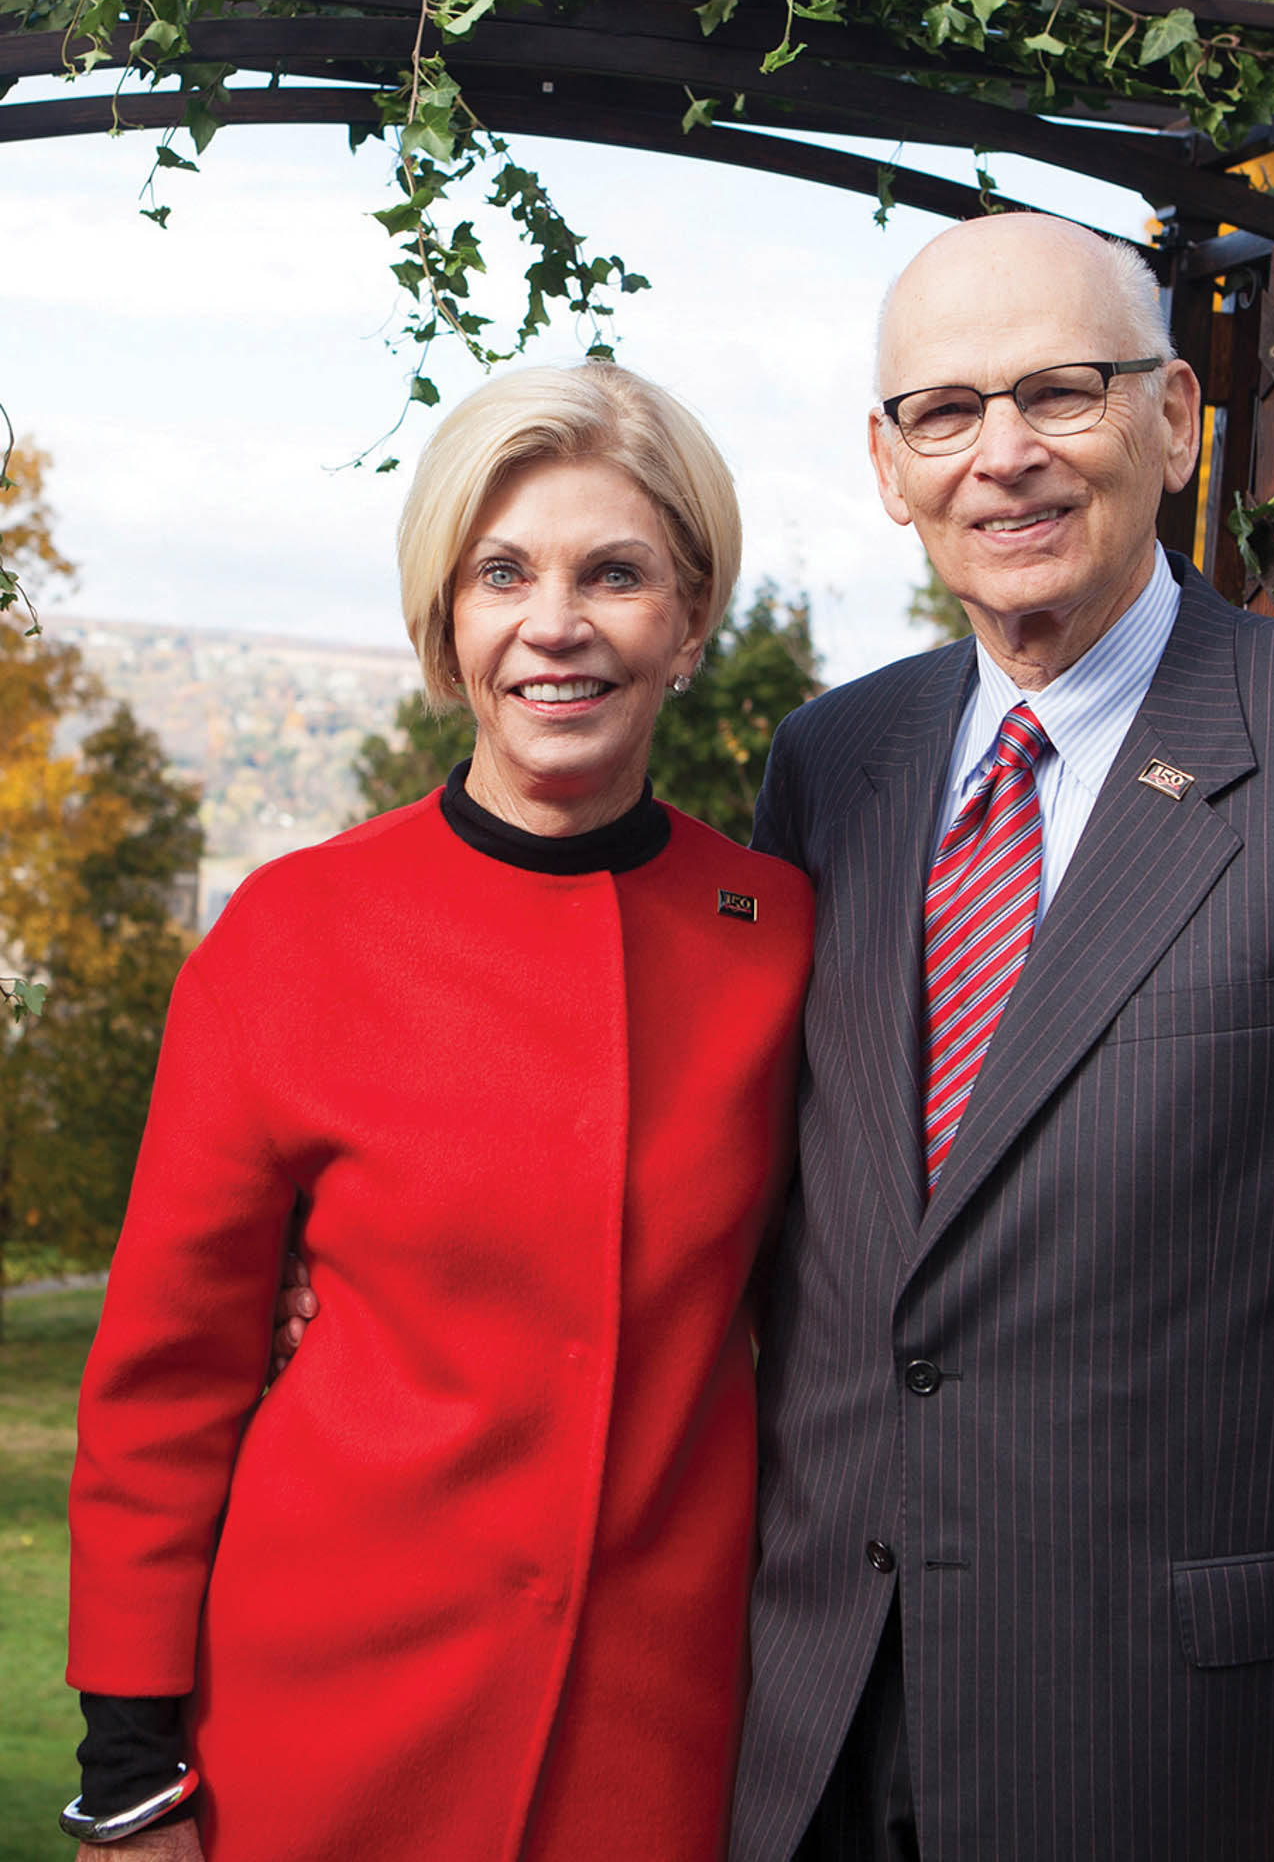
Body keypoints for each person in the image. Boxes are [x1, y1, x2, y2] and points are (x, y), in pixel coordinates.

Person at [726, 214, 1274, 1861]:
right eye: (945, 411)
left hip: (1181, 1761)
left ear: (1178, 418)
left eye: (1061, 392)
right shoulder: (830, 766)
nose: (1004, 456)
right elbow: (770, 1210)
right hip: (816, 1746)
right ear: (889, 467)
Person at [61, 362, 814, 1860]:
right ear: (445, 624)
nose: (557, 623)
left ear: (689, 620)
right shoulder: (290, 938)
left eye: (616, 575)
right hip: (315, 1734)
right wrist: (131, 1772)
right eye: (502, 575)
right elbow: (164, 1383)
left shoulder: (782, 937)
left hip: (651, 1752)